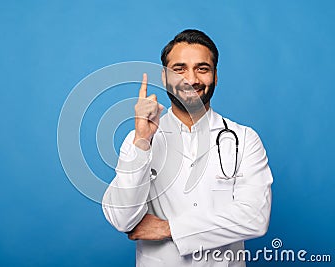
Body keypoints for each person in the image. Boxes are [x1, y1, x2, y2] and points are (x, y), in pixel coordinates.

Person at [102, 29, 273, 267]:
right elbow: (122, 219)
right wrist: (142, 142)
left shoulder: (244, 139)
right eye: (179, 69)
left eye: (202, 69)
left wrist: (168, 228)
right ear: (164, 77)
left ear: (215, 75)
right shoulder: (139, 139)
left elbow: (255, 218)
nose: (191, 79)